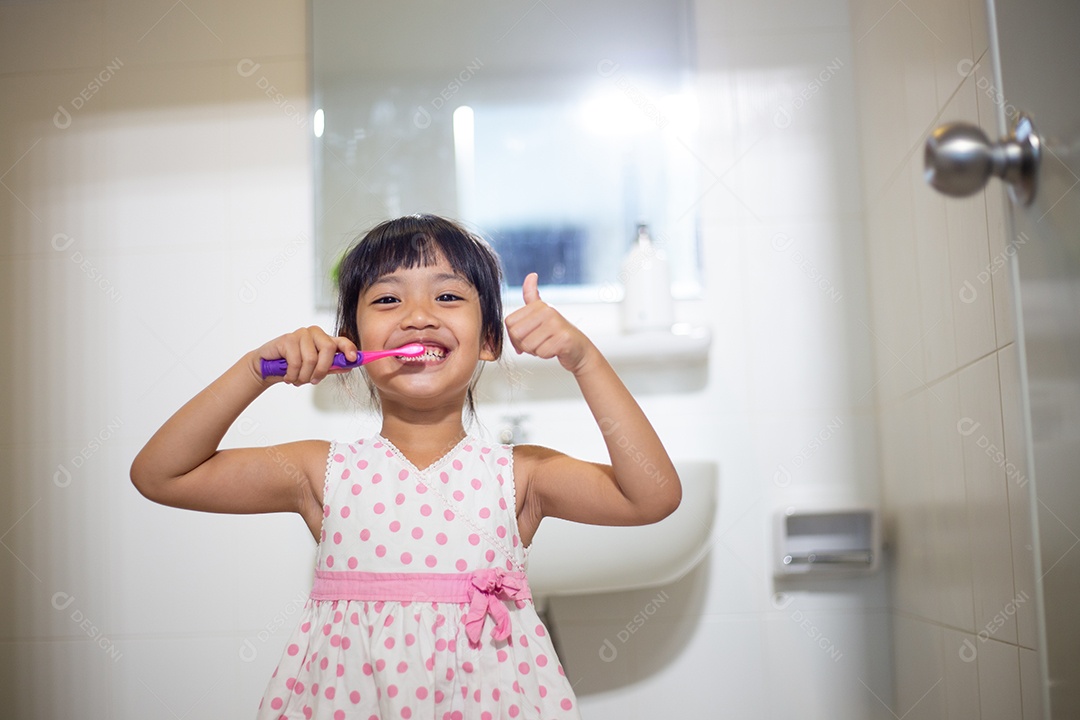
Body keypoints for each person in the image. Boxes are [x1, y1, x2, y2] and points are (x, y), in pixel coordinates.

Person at [130, 214, 681, 719]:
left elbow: (651, 496)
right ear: (352, 342)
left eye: (446, 295)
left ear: (489, 339)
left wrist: (583, 360)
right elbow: (161, 474)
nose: (418, 317)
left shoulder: (522, 476)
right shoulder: (319, 471)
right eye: (388, 301)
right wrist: (256, 370)